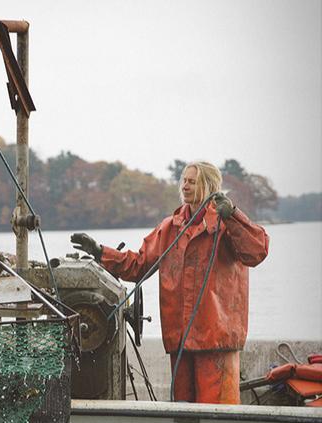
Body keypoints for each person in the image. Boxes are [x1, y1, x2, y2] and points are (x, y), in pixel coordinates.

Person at [71, 161, 269, 404]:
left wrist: (234, 215)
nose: (185, 185)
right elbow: (138, 265)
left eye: (192, 181)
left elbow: (257, 251)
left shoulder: (226, 224)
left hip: (216, 340)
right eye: (183, 180)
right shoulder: (169, 228)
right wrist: (100, 252)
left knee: (218, 412)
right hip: (180, 341)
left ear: (209, 186)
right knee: (183, 415)